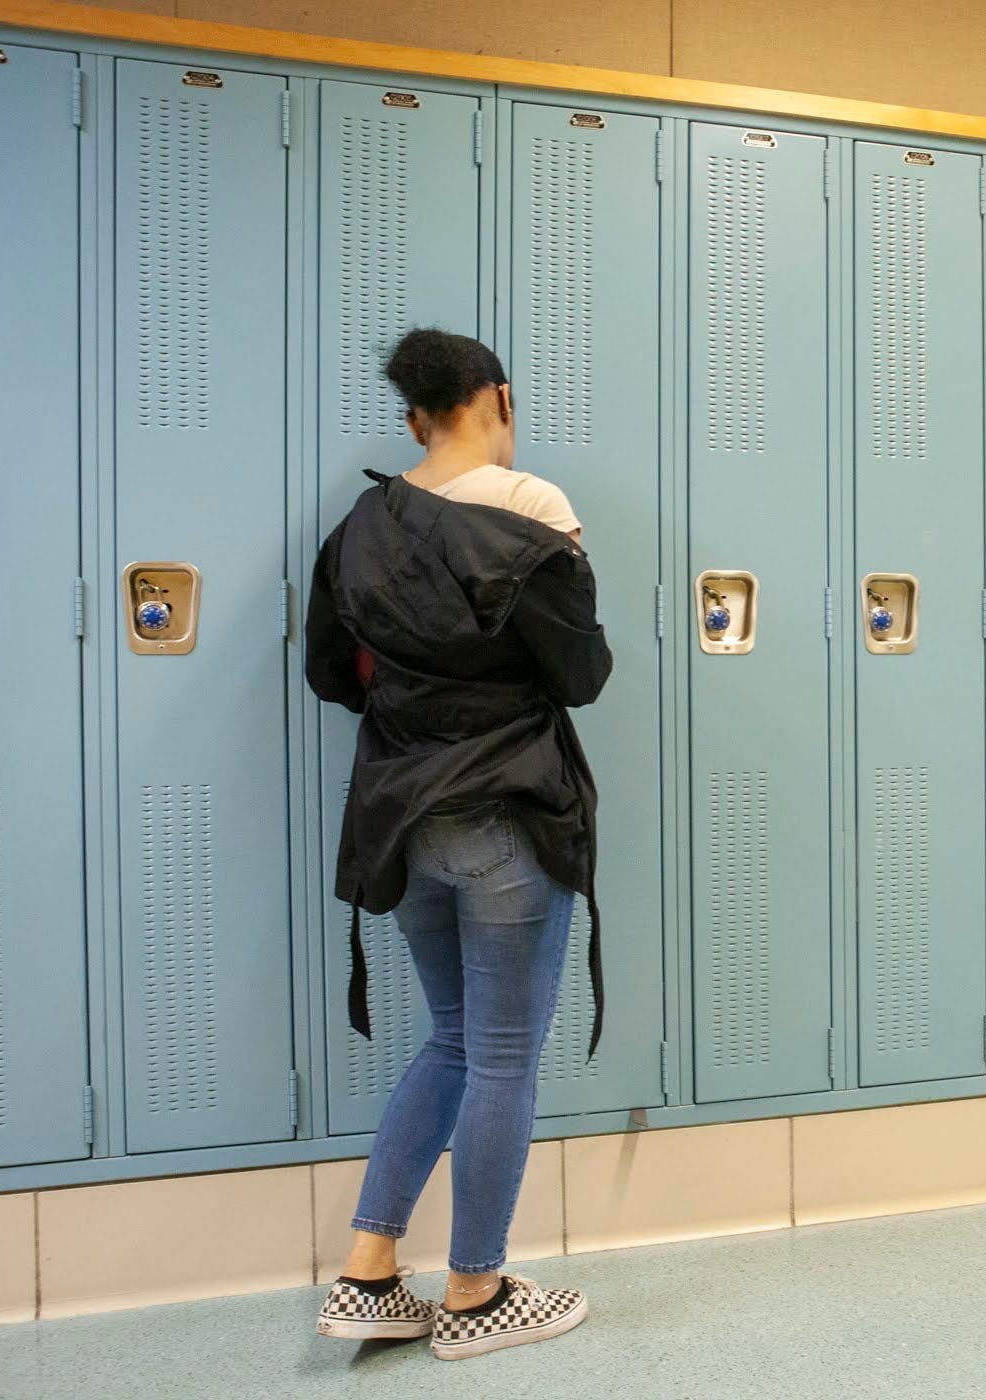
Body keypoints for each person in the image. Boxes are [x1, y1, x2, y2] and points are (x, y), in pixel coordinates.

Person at [304, 328, 611, 1360]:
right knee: (503, 1059)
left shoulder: (358, 525)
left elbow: (331, 675)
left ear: (412, 418)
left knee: (451, 1039)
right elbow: (583, 671)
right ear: (500, 400)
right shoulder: (532, 511)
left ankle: (369, 1271)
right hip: (507, 823)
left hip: (404, 824)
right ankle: (476, 1288)